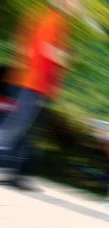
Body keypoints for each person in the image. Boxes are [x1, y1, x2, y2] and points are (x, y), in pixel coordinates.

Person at [0, 0, 78, 189]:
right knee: (16, 127)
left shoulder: (56, 20)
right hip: (33, 84)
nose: (78, 6)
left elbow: (27, 46)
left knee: (27, 130)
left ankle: (17, 175)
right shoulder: (54, 20)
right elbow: (47, 48)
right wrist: (66, 56)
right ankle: (16, 173)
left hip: (39, 85)